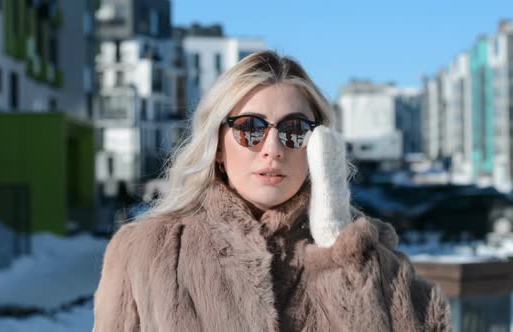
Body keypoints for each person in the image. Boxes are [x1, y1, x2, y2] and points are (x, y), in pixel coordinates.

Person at [92, 51, 451, 331]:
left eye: (295, 130)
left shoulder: (368, 256)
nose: (273, 148)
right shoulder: (146, 253)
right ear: (218, 146)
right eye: (250, 128)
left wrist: (342, 254)